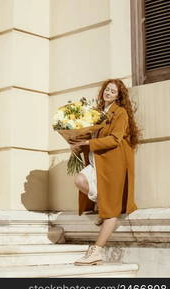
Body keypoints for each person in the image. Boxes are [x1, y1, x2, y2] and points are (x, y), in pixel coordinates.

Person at [69, 78, 142, 266]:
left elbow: (115, 139)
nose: (108, 93)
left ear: (119, 96)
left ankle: (96, 251)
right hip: (97, 163)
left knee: (111, 211)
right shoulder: (96, 113)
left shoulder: (121, 113)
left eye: (113, 91)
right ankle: (104, 206)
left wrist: (88, 143)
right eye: (107, 90)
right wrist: (78, 145)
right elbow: (92, 139)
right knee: (80, 180)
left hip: (113, 164)